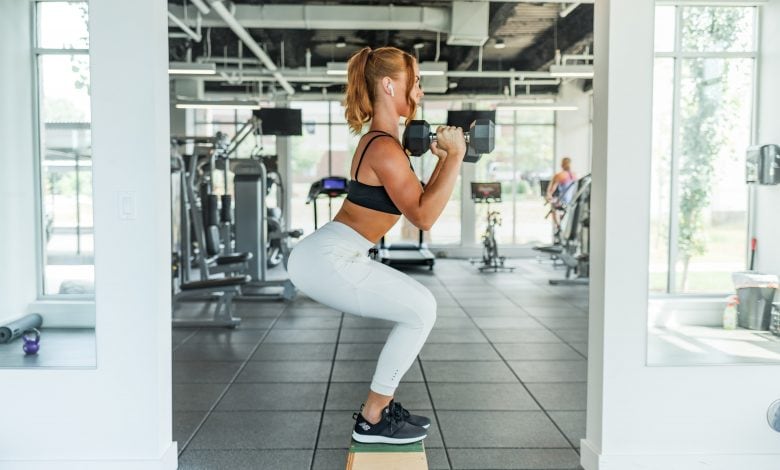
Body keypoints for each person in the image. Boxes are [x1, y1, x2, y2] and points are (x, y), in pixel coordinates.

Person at [286, 47, 467, 445]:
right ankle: (373, 418)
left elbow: (419, 199)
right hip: (328, 259)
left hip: (332, 253)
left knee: (419, 308)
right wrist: (454, 159)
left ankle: (377, 413)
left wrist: (444, 160)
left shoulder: (386, 143)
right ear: (389, 84)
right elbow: (424, 216)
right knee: (421, 309)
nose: (419, 90)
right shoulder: (384, 147)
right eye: (414, 81)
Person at [545, 157, 577, 231]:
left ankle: (559, 227)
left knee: (553, 206)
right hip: (574, 201)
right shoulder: (575, 175)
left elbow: (551, 190)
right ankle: (562, 223)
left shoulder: (559, 175)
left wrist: (549, 196)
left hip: (564, 201)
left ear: (562, 165)